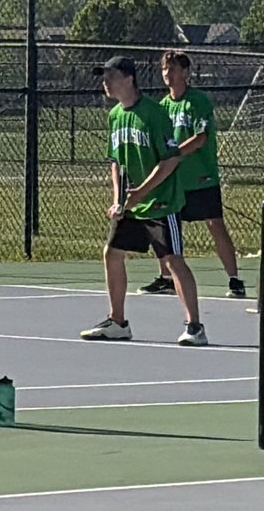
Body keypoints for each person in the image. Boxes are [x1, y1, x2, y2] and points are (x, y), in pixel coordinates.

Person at [80, 55, 208, 346]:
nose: (106, 82)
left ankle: (195, 327)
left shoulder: (154, 113)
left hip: (162, 202)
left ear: (129, 79)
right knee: (112, 253)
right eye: (104, 77)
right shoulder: (116, 116)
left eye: (111, 76)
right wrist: (119, 199)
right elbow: (116, 162)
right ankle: (117, 322)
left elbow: (171, 160)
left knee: (173, 260)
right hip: (132, 205)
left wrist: (139, 193)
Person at [139, 49, 246, 298]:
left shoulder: (198, 101)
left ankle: (234, 279)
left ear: (185, 72)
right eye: (164, 69)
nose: (167, 73)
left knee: (214, 224)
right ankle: (167, 278)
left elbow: (200, 138)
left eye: (173, 69)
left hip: (201, 178)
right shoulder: (162, 107)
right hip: (172, 181)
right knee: (164, 228)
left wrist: (174, 155)